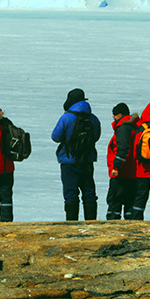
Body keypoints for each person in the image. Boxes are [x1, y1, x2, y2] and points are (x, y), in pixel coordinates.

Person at [51, 88, 101, 221]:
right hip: (87, 159)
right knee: (89, 192)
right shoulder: (93, 118)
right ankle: (91, 222)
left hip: (68, 160)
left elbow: (55, 137)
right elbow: (96, 136)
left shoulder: (66, 117)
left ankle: (71, 222)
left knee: (71, 193)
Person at [106, 103, 139, 220]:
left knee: (115, 201)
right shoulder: (134, 126)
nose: (113, 118)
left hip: (122, 172)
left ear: (119, 115)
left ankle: (112, 226)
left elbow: (123, 149)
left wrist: (116, 167)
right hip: (133, 171)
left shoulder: (123, 128)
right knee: (130, 203)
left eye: (114, 115)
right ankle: (130, 228)